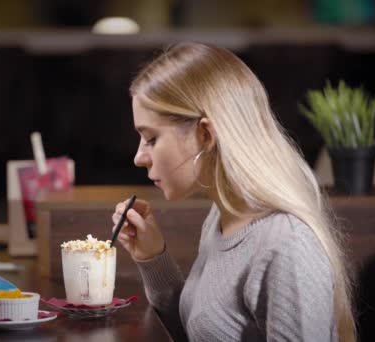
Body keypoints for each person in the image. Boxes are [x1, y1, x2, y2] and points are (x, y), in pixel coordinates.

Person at [111, 42, 356, 342]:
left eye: (151, 138)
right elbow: (201, 331)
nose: (139, 157)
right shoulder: (221, 216)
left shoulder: (287, 247)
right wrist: (153, 257)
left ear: (205, 134)